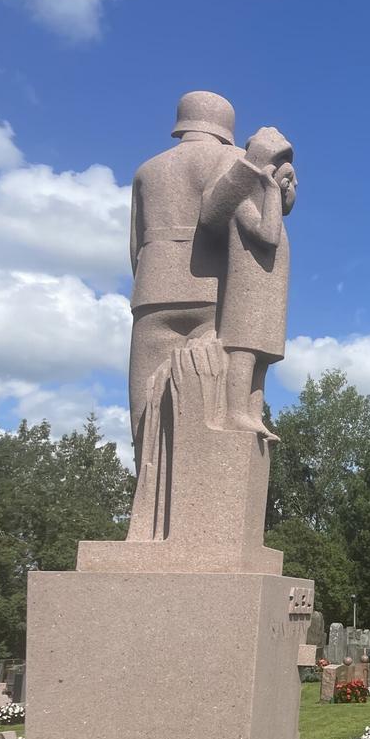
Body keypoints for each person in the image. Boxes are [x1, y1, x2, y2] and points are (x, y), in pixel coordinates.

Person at [126, 91, 243, 469]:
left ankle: (149, 486)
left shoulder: (148, 170)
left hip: (153, 289)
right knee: (214, 404)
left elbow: (134, 246)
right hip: (215, 291)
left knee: (145, 408)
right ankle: (205, 493)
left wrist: (153, 275)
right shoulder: (236, 161)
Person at [203, 126, 297, 439]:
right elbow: (267, 236)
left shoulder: (276, 216)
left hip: (267, 298)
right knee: (243, 353)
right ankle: (234, 413)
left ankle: (253, 414)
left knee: (262, 357)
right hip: (247, 295)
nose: (292, 188)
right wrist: (270, 189)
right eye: (288, 181)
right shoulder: (243, 205)